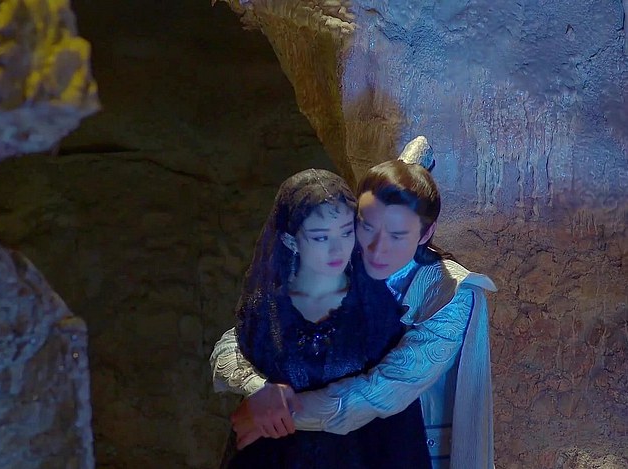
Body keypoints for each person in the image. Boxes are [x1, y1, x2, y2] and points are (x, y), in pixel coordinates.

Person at [211, 140, 497, 469]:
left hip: (397, 448)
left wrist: (269, 416)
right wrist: (259, 390)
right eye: (367, 227)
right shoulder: (340, 256)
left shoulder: (449, 293)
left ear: (425, 233)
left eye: (397, 235)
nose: (376, 248)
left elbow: (381, 391)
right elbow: (242, 337)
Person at [219, 168, 432, 468]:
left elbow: (389, 398)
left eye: (346, 232)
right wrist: (259, 389)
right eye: (320, 237)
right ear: (290, 240)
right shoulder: (267, 308)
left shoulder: (376, 302)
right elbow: (233, 352)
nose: (338, 249)